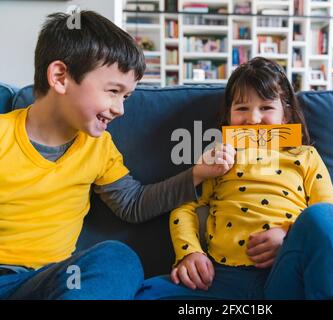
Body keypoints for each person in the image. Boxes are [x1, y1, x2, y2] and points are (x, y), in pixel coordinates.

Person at [0, 11, 235, 300]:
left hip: (55, 281)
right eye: (113, 91)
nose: (120, 109)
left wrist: (197, 174)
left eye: (125, 97)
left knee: (118, 258)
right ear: (60, 77)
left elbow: (133, 204)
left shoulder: (98, 147)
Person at [136, 57, 333, 300]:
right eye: (242, 108)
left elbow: (329, 213)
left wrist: (288, 234)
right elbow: (185, 207)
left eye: (266, 107)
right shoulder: (219, 158)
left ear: (286, 115)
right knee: (148, 292)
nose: (253, 118)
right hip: (224, 278)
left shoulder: (305, 156)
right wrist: (189, 253)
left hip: (286, 271)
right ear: (228, 117)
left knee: (327, 217)